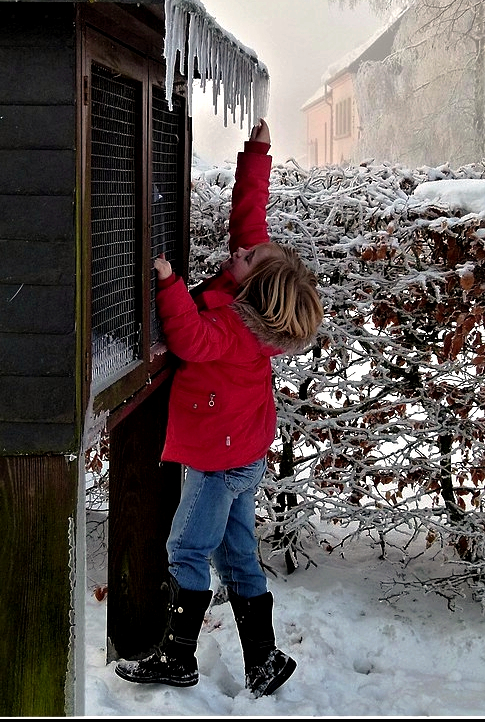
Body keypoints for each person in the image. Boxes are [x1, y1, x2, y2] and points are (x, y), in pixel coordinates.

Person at [115, 119, 323, 698]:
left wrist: (168, 282)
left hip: (218, 460)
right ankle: (263, 659)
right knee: (237, 554)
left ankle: (178, 657)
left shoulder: (233, 328)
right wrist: (258, 153)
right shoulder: (255, 297)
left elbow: (190, 340)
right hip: (244, 453)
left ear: (253, 289)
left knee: (186, 548)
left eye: (249, 258)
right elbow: (248, 216)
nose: (241, 248)